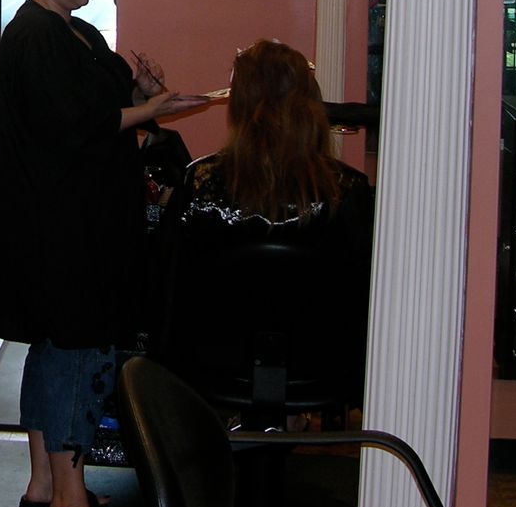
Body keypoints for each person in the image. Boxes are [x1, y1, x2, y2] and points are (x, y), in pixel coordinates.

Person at [0, 0, 207, 507]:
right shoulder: (34, 37)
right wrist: (147, 109)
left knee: (54, 349)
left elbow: (101, 110)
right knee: (76, 353)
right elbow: (69, 130)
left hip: (75, 224)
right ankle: (69, 503)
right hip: (63, 231)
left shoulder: (75, 33)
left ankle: (45, 484)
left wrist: (143, 97)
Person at [149, 39, 374, 409]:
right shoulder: (346, 191)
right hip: (323, 367)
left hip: (213, 365)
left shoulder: (202, 183)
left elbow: (167, 288)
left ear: (239, 103)